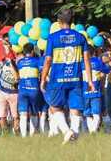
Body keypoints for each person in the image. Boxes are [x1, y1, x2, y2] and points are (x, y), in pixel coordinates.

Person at [40, 9, 94, 144]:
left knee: (54, 106)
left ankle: (66, 132)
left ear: (58, 22)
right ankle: (73, 138)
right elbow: (87, 60)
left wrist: (43, 78)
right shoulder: (81, 37)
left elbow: (47, 60)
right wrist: (90, 80)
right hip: (76, 79)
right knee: (76, 109)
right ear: (72, 21)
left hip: (57, 79)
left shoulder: (53, 37)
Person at [83, 45, 111, 133]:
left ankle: (92, 132)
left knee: (87, 114)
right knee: (96, 114)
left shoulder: (81, 62)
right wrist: (109, 63)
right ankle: (93, 132)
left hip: (84, 93)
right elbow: (107, 70)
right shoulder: (98, 62)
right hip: (96, 92)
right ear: (94, 52)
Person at [17, 43, 40, 137]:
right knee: (34, 112)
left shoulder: (20, 62)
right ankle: (32, 134)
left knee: (23, 113)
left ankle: (23, 136)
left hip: (22, 90)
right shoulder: (37, 61)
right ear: (32, 51)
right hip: (33, 90)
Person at [0, 55, 19, 134]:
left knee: (15, 116)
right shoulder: (5, 61)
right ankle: (5, 133)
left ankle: (16, 132)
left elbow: (17, 78)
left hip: (14, 93)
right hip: (2, 91)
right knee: (2, 115)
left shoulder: (20, 64)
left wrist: (12, 65)